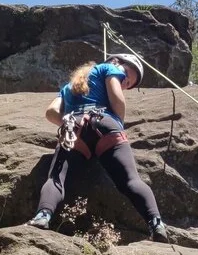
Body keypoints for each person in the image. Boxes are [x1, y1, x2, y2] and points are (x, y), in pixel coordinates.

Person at [27, 53, 169, 243]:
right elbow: (118, 102)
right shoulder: (109, 68)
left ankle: (43, 216)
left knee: (56, 178)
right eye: (126, 75)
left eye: (128, 83)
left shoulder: (68, 88)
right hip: (105, 124)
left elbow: (51, 112)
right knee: (130, 180)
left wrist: (70, 121)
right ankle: (156, 223)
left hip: (74, 127)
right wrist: (116, 123)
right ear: (116, 62)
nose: (125, 82)